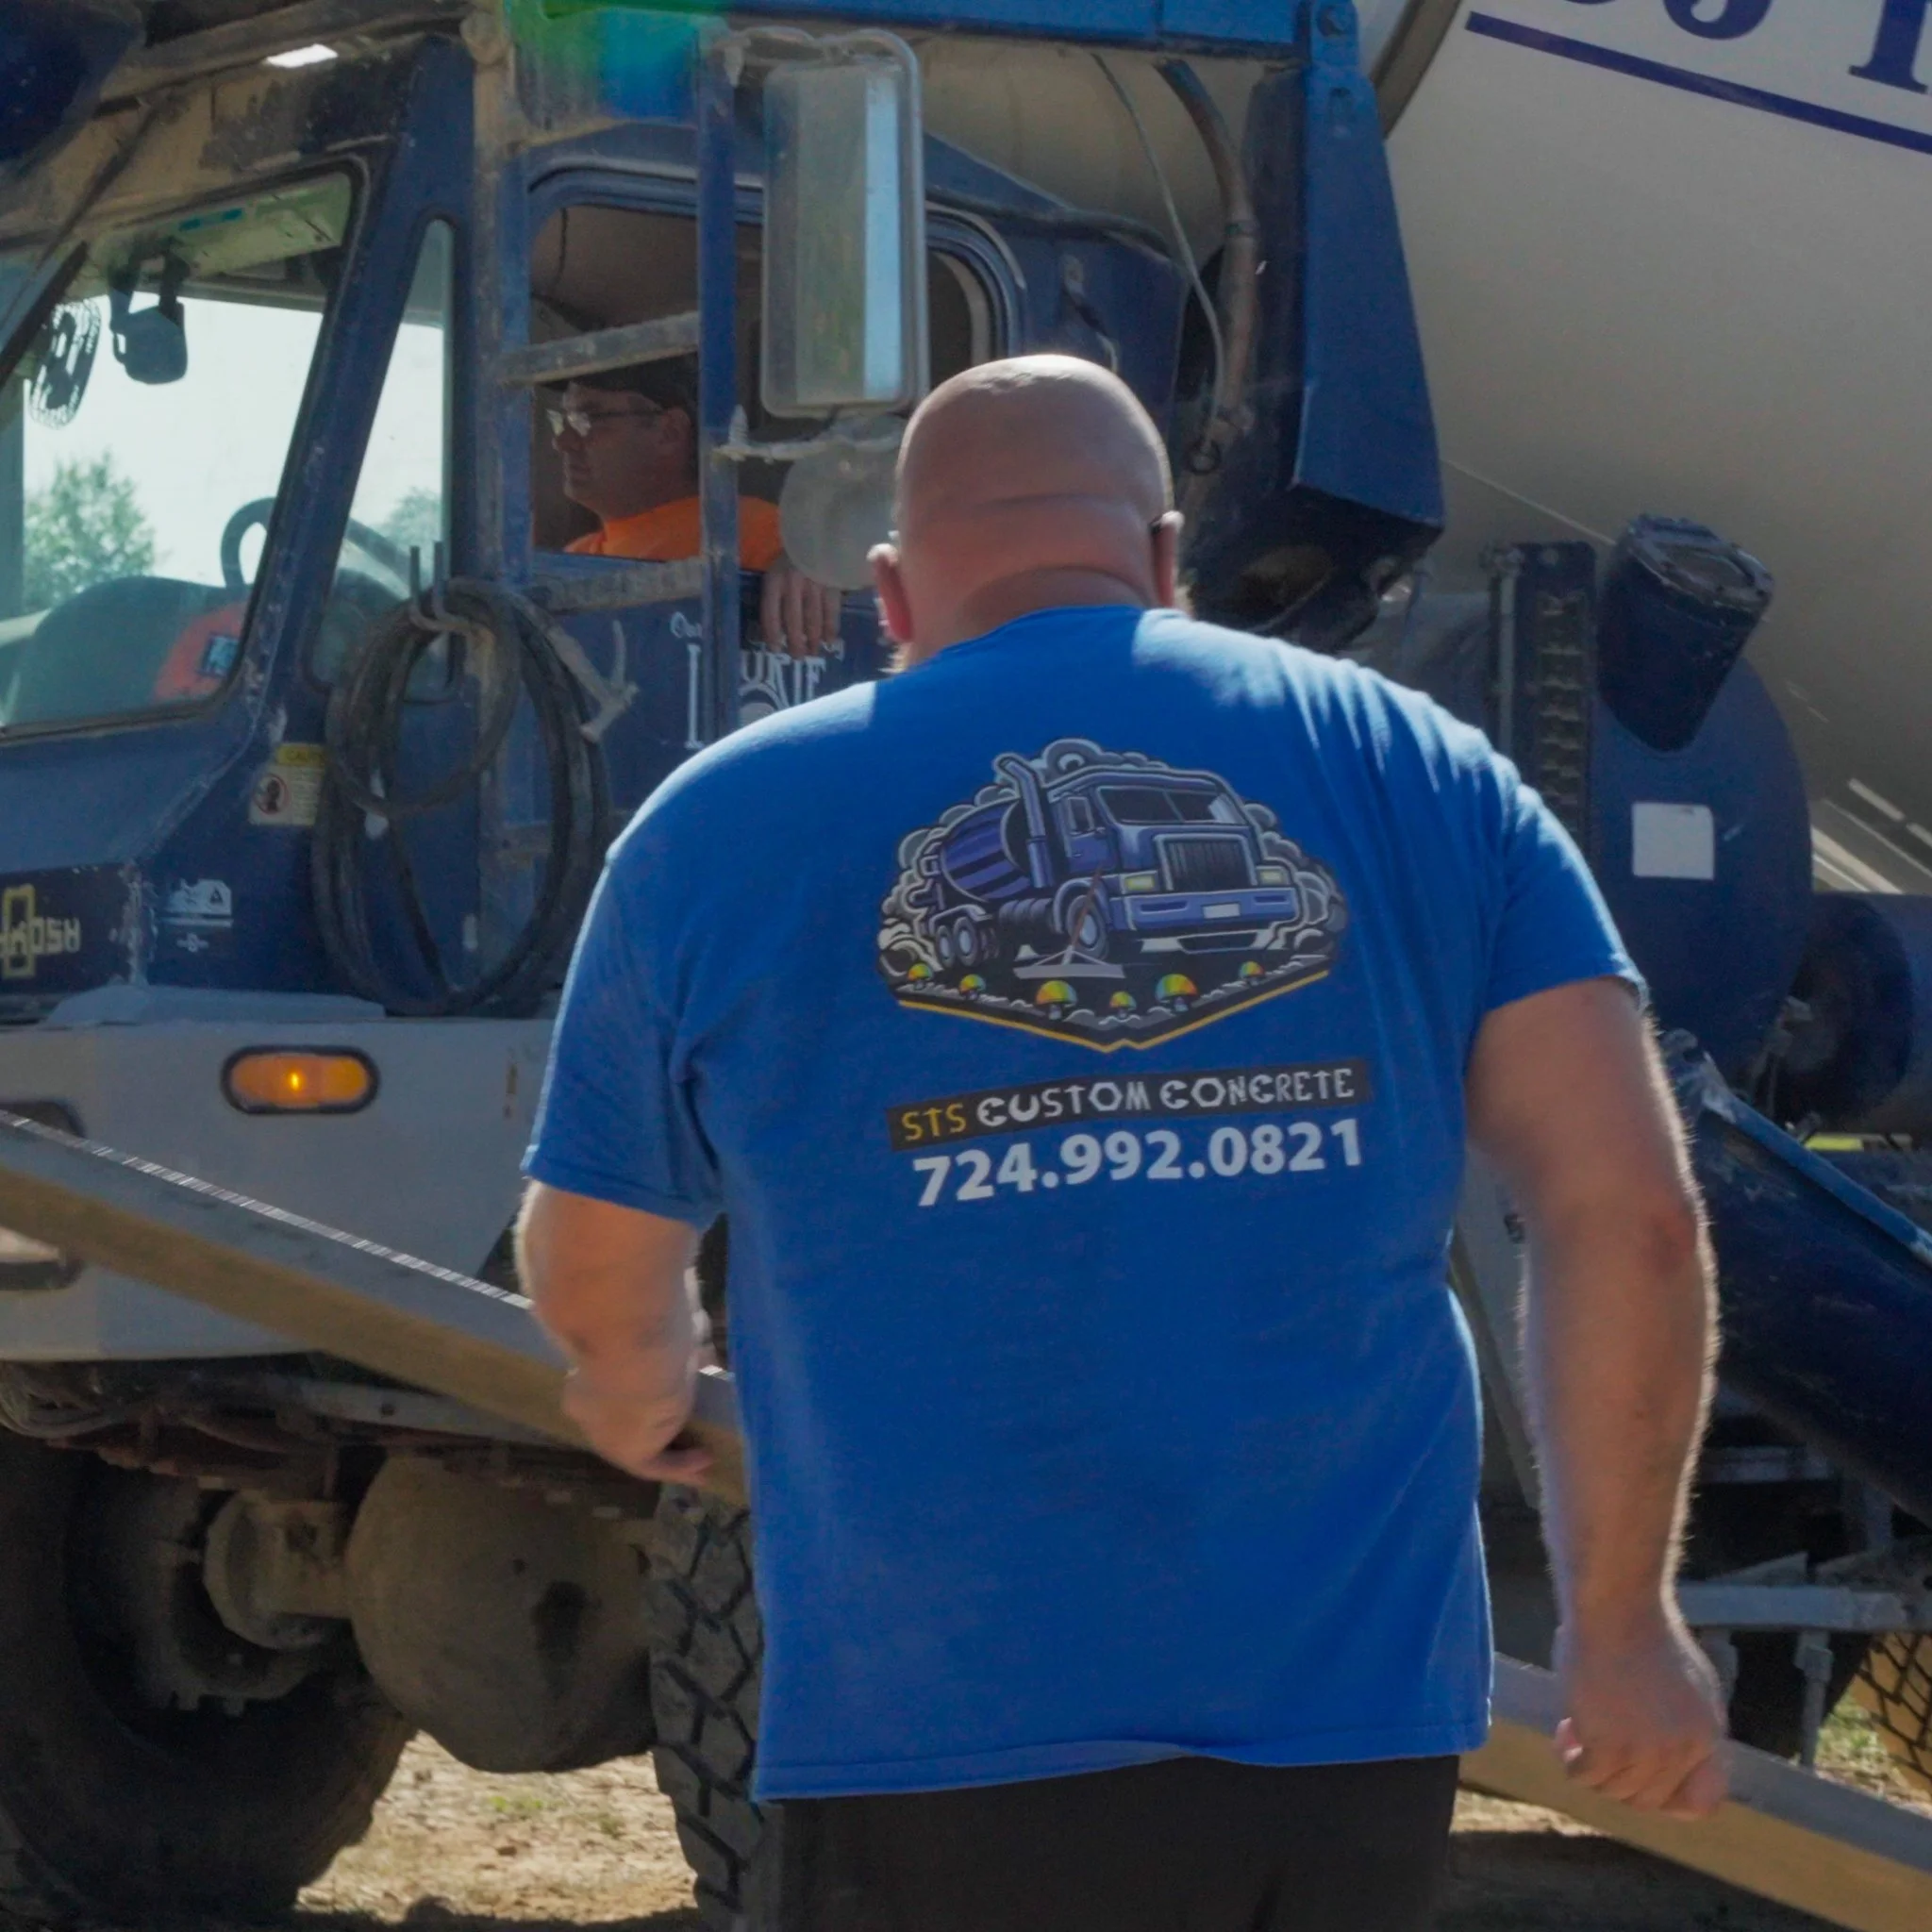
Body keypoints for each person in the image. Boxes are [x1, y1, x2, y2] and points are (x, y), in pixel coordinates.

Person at [518, 355, 1726, 1931]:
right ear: (1161, 557)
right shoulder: (1417, 768)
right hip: (1343, 1740)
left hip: (934, 1732)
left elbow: (596, 1251)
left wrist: (630, 1377)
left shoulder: (714, 826)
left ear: (889, 588)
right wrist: (1620, 1623)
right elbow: (1625, 1211)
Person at [548, 358, 842, 658]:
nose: (562, 441)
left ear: (670, 432)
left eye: (587, 420)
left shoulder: (754, 530)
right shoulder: (574, 555)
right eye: (564, 421)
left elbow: (854, 577)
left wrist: (809, 558)